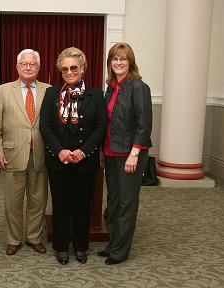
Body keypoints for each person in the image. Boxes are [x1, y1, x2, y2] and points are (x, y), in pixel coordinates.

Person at [39, 47, 107, 265]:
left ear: (83, 68)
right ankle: (61, 247)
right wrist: (60, 150)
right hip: (58, 159)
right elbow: (46, 126)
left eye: (74, 67)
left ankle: (80, 246)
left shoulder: (96, 95)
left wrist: (83, 151)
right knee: (60, 205)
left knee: (82, 205)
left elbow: (100, 127)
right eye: (65, 69)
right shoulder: (52, 93)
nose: (69, 72)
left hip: (85, 161)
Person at [98, 42, 152, 265]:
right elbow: (107, 123)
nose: (118, 62)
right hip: (110, 152)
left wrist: (135, 153)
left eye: (123, 58)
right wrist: (102, 150)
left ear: (130, 62)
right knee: (113, 200)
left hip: (130, 155)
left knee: (126, 202)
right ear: (110, 63)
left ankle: (120, 252)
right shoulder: (110, 87)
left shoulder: (139, 87)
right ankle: (113, 243)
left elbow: (144, 124)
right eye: (114, 58)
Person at [0, 49, 50, 256]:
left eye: (32, 63)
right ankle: (13, 239)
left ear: (39, 67)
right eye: (24, 63)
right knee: (13, 202)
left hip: (41, 155)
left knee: (38, 201)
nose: (28, 67)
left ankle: (34, 238)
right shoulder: (3, 91)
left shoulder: (49, 90)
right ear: (17, 67)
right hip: (12, 155)